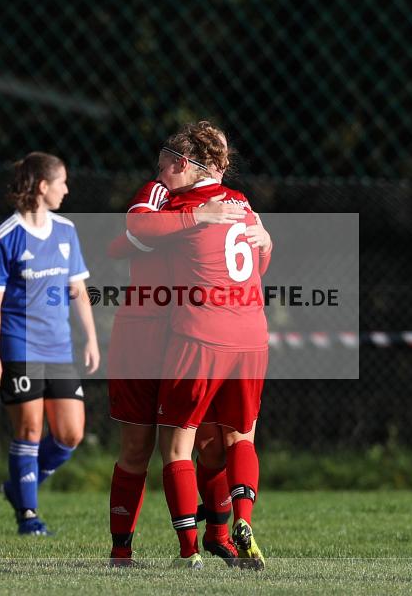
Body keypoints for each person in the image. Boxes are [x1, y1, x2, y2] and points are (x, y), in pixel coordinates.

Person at [106, 124, 248, 567]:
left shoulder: (227, 202)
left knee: (209, 442)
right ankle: (121, 551)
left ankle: (217, 535)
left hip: (192, 336)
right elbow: (124, 239)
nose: (160, 169)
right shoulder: (160, 192)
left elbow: (247, 257)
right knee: (137, 447)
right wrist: (193, 218)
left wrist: (265, 241)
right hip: (143, 336)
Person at [134, 124, 271, 570]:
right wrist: (267, 240)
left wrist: (189, 218)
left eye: (164, 168)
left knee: (176, 447)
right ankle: (243, 522)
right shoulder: (243, 203)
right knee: (240, 435)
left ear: (182, 165)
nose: (159, 177)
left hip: (199, 334)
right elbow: (258, 261)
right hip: (251, 334)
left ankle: (188, 551)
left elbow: (132, 234)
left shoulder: (179, 204)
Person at [0, 152, 99, 536]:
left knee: (69, 435)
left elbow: (78, 290)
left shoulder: (66, 231)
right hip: (20, 346)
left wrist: (90, 339)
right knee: (29, 430)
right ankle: (28, 515)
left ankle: (18, 487)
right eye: (62, 181)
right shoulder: (4, 237)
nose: (67, 189)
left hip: (60, 348)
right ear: (43, 187)